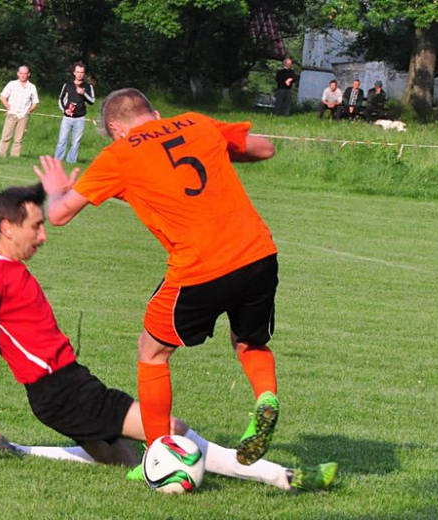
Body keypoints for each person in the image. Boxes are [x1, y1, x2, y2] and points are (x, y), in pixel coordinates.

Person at [0, 184, 337, 492]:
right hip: (62, 388)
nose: (42, 236)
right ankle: (281, 476)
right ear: (7, 227)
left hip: (56, 393)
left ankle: (17, 448)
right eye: (35, 226)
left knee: (119, 458)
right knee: (170, 429)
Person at [34, 88, 282, 468]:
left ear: (115, 128)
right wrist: (216, 148)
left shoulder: (120, 153)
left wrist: (54, 190)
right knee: (248, 341)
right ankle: (265, 397)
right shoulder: (196, 123)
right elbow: (265, 149)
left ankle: (159, 454)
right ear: (155, 112)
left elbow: (60, 215)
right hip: (258, 253)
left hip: (201, 266)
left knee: (151, 351)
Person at [53, 62, 95, 163]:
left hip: (80, 118)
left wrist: (83, 93)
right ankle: (57, 161)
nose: (80, 74)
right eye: (77, 72)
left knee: (76, 142)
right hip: (67, 118)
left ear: (84, 73)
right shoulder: (67, 85)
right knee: (62, 141)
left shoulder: (88, 86)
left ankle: (71, 162)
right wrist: (64, 110)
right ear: (74, 73)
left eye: (82, 72)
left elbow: (92, 101)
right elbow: (60, 99)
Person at [0, 65, 39, 157]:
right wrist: (8, 107)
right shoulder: (12, 84)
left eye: (25, 74)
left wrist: (29, 110)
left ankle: (15, 156)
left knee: (18, 139)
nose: (23, 76)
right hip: (12, 114)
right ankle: (0, 155)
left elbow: (35, 102)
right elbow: (2, 97)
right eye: (21, 73)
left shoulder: (32, 87)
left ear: (28, 75)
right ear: (18, 74)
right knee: (6, 136)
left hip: (23, 116)